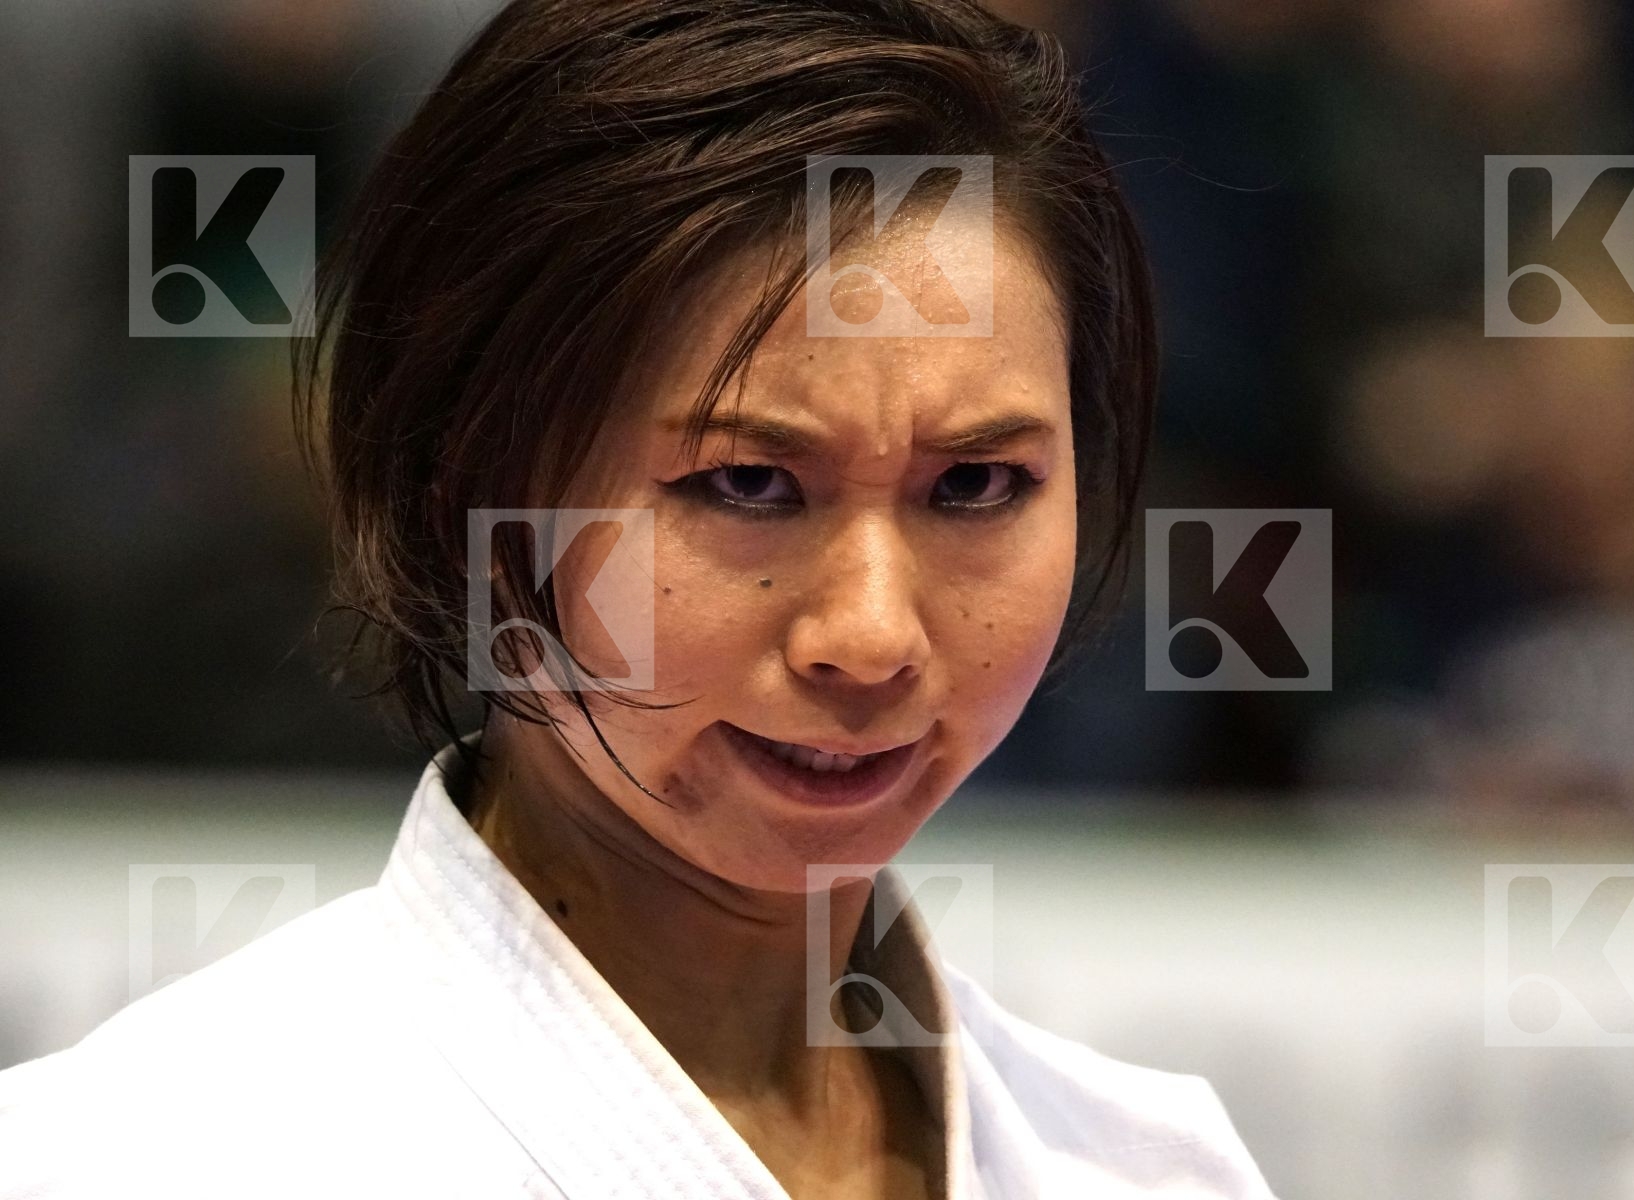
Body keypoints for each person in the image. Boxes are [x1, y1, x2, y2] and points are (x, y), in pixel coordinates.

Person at [0, 2, 1277, 1196]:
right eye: (750, 483)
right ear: (467, 485)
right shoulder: (131, 1158)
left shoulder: (1145, 1169)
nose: (873, 636)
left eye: (980, 484)